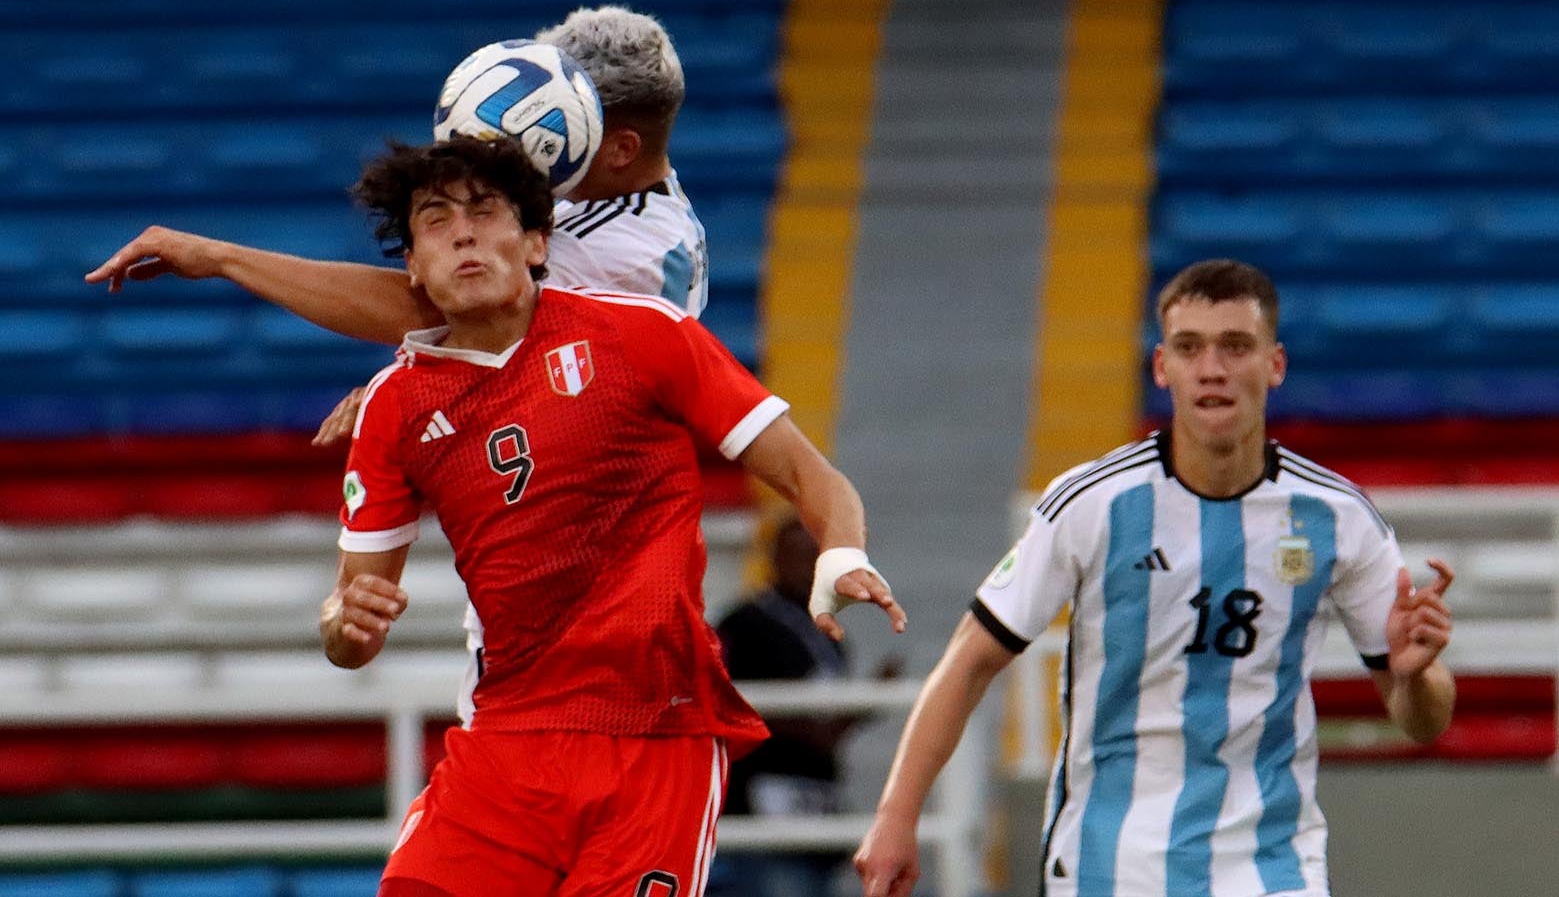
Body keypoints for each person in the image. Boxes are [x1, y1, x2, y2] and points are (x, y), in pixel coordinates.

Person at [245, 135, 896, 896]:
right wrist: (342, 621)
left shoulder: (640, 333)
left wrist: (842, 552)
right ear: (413, 266)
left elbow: (811, 476)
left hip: (657, 736)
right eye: (436, 219)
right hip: (505, 743)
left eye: (485, 212)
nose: (463, 234)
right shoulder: (395, 405)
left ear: (536, 243)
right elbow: (351, 632)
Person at [854, 259, 1456, 897]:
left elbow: (1424, 721)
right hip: (1109, 864)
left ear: (1275, 364)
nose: (1212, 369)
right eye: (1190, 348)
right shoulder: (1090, 503)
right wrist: (896, 817)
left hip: (1270, 866)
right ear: (1162, 367)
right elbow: (967, 664)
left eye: (1235, 346)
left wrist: (1413, 678)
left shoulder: (1338, 517)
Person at [85, 5, 710, 352]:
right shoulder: (593, 196)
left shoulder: (634, 252)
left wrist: (220, 258)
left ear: (620, 148)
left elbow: (429, 308)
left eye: (543, 126)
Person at [711, 517, 902, 897]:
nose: (806, 567)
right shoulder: (743, 623)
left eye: (814, 557)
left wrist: (862, 708)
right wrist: (809, 729)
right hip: (759, 803)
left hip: (815, 798)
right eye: (796, 556)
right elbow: (725, 704)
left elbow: (826, 733)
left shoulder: (827, 634)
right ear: (774, 559)